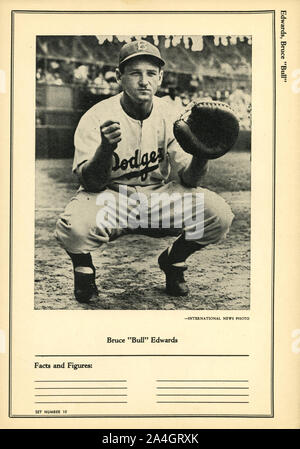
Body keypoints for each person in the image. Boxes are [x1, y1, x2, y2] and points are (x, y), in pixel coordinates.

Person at [55, 40, 234, 303]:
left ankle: (174, 261)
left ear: (160, 78)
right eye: (135, 73)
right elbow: (90, 183)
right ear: (119, 77)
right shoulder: (96, 116)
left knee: (219, 215)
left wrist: (201, 155)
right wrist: (105, 149)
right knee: (74, 227)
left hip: (157, 198)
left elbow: (189, 179)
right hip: (110, 198)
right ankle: (84, 270)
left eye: (151, 73)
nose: (144, 81)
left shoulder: (171, 113)